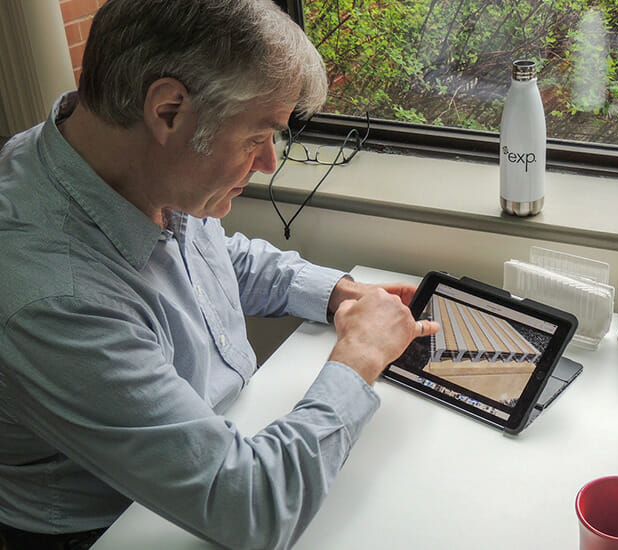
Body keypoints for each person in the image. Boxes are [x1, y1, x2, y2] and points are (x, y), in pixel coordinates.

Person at [0, 1, 439, 549]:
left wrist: (337, 293)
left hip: (217, 450)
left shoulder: (126, 164)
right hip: (118, 526)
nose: (268, 163)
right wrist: (360, 358)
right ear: (168, 111)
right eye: (259, 136)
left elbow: (212, 259)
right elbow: (249, 509)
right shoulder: (51, 294)